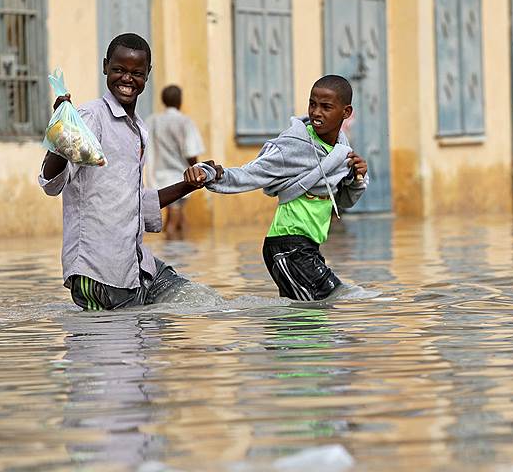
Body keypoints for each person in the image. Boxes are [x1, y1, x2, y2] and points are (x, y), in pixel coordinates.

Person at [38, 33, 214, 310]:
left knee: (199, 303)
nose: (127, 79)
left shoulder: (139, 128)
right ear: (106, 66)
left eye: (136, 73)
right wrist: (61, 139)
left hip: (136, 266)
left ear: (148, 75)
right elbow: (50, 183)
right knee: (115, 345)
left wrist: (191, 184)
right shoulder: (90, 118)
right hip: (97, 273)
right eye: (119, 70)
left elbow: (134, 203)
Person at [184, 75, 368, 301]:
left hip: (308, 246)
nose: (316, 112)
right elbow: (251, 173)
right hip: (288, 245)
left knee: (306, 321)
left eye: (326, 107)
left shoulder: (342, 150)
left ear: (346, 112)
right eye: (312, 104)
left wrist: (358, 178)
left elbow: (342, 201)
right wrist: (209, 174)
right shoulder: (292, 145)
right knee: (338, 297)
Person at [146, 85, 205, 240]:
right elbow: (191, 152)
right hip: (181, 177)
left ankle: (181, 251)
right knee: (173, 221)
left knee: (179, 218)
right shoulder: (185, 122)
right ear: (179, 100)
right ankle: (174, 255)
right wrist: (198, 170)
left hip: (159, 176)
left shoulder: (153, 121)